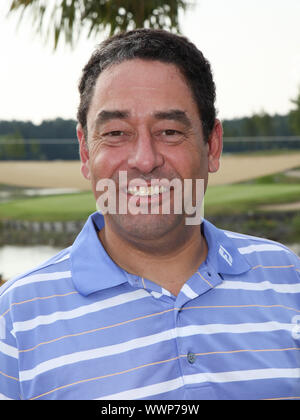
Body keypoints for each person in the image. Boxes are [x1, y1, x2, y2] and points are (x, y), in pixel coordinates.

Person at [0, 29, 299, 401]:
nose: (144, 159)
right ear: (84, 151)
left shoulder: (288, 279)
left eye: (170, 131)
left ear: (212, 146)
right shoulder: (14, 317)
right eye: (115, 133)